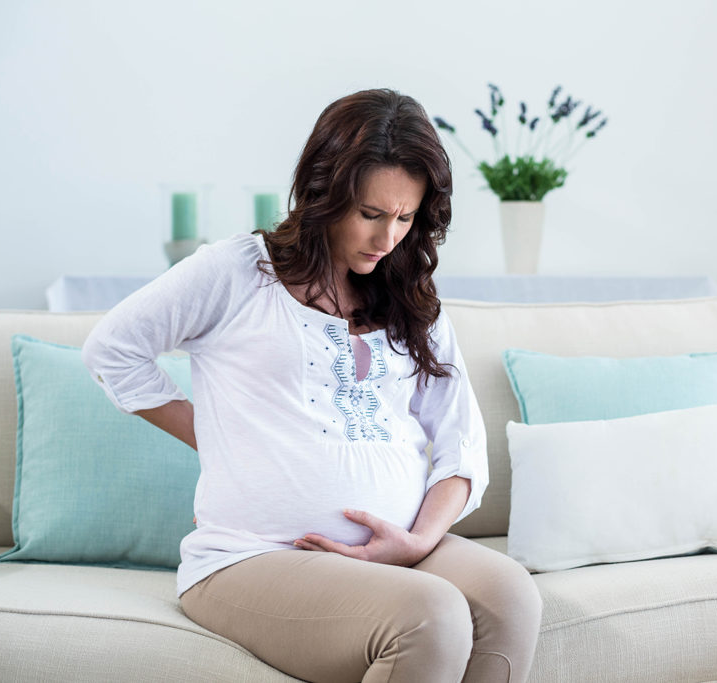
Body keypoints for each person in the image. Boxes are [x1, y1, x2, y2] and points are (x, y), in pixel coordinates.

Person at [82, 88, 542, 683]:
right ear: (324, 193)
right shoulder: (238, 272)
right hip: (253, 557)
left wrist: (417, 540)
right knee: (430, 614)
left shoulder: (413, 302)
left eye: (405, 218)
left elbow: (461, 448)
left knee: (511, 596)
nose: (387, 239)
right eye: (371, 215)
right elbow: (111, 350)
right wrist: (221, 441)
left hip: (402, 547)